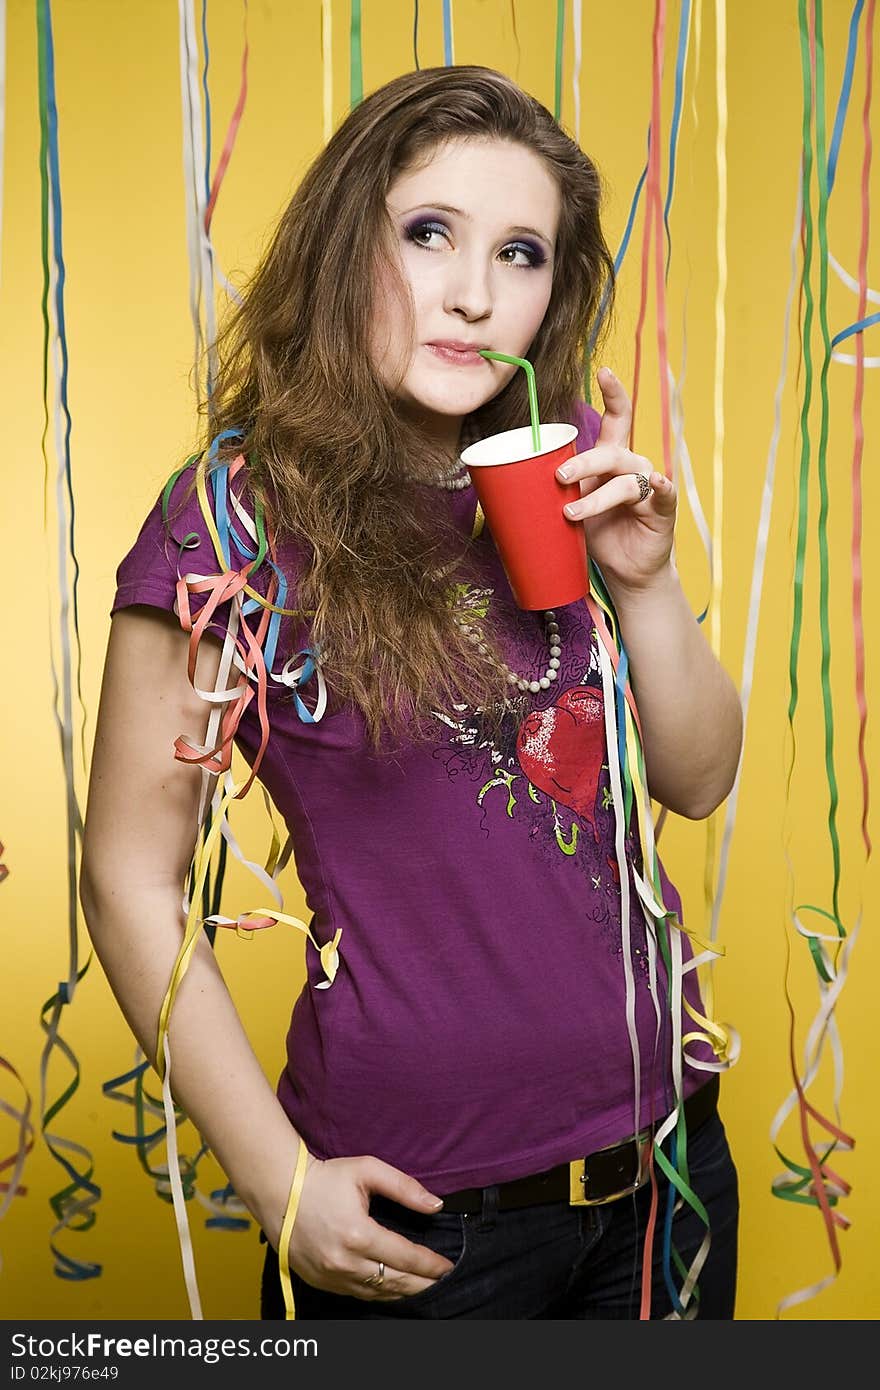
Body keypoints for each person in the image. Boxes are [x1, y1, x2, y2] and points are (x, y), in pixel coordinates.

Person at [80, 65, 743, 1321]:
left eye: (521, 253)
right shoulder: (233, 521)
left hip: (668, 1173)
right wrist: (277, 1181)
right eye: (429, 234)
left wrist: (646, 585)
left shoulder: (565, 478)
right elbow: (129, 874)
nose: (475, 293)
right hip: (430, 1231)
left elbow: (698, 780)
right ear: (348, 249)